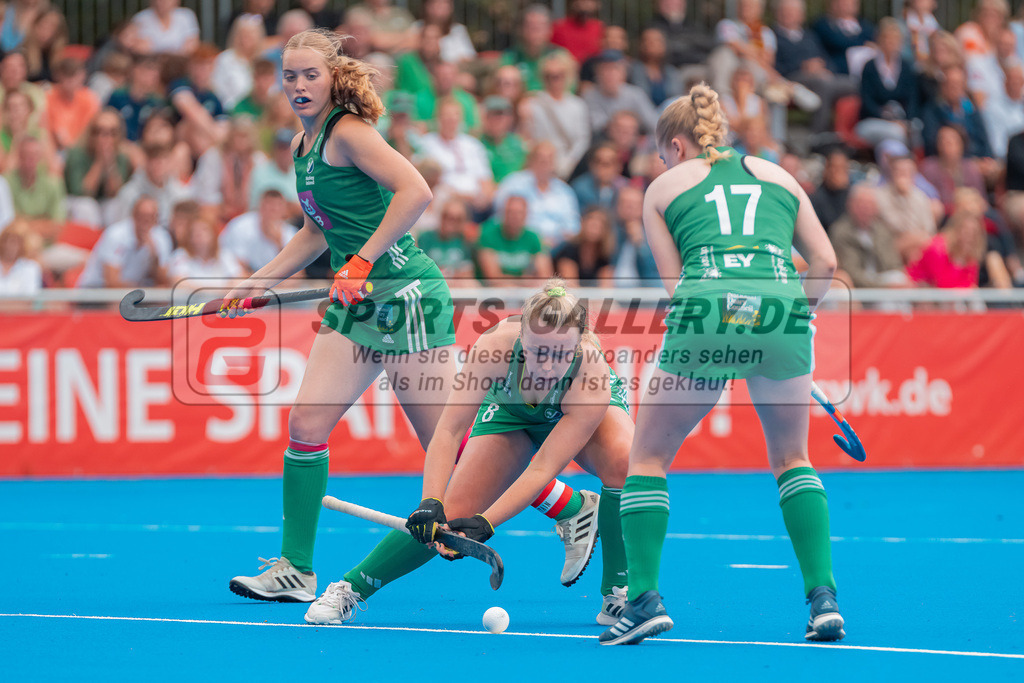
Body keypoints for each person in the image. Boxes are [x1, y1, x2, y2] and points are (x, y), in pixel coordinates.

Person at [598, 83, 842, 646]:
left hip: (706, 306)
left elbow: (673, 284)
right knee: (792, 457)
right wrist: (794, 314)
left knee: (649, 456)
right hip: (782, 309)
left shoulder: (663, 187)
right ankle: (823, 599)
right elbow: (825, 261)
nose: (663, 163)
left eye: (664, 155)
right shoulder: (780, 175)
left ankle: (643, 600)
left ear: (676, 146)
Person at [303, 281, 631, 627]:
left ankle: (619, 591)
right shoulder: (494, 347)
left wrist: (486, 524)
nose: (548, 367)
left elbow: (542, 468)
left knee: (624, 464)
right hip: (512, 413)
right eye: (538, 352)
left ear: (578, 345)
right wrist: (430, 501)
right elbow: (448, 430)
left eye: (561, 354)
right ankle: (350, 587)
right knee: (449, 517)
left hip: (575, 412)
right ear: (521, 338)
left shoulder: (590, 377)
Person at [77, 195, 172, 288]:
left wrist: (154, 256)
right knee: (116, 301)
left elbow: (164, 282)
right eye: (142, 216)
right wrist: (143, 290)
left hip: (135, 293)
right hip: (96, 290)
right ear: (134, 215)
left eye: (150, 217)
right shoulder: (116, 234)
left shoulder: (161, 237)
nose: (145, 221)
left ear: (156, 218)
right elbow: (112, 283)